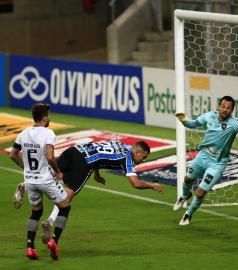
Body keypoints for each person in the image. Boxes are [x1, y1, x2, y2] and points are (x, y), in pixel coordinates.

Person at [35, 139, 164, 244]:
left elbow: (99, 152)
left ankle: (26, 184)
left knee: (48, 174)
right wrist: (152, 185)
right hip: (84, 163)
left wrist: (96, 174)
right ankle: (50, 222)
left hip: (74, 150)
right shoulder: (127, 158)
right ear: (137, 152)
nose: (144, 160)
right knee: (66, 198)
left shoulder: (120, 144)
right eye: (144, 157)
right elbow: (135, 183)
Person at [173, 95, 238, 225]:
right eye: (223, 106)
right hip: (203, 155)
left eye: (228, 108)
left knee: (200, 192)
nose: (225, 109)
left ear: (232, 110)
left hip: (217, 163)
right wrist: (183, 120)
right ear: (219, 106)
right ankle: (184, 196)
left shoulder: (234, 124)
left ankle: (188, 214)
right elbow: (192, 124)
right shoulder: (209, 116)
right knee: (187, 179)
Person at [9, 103, 71, 260]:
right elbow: (50, 156)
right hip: (46, 179)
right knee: (64, 207)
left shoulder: (23, 133)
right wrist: (58, 172)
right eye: (49, 115)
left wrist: (26, 169)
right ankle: (54, 241)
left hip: (29, 180)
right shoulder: (48, 133)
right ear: (44, 117)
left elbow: (13, 154)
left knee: (36, 212)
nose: (50, 118)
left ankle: (30, 247)